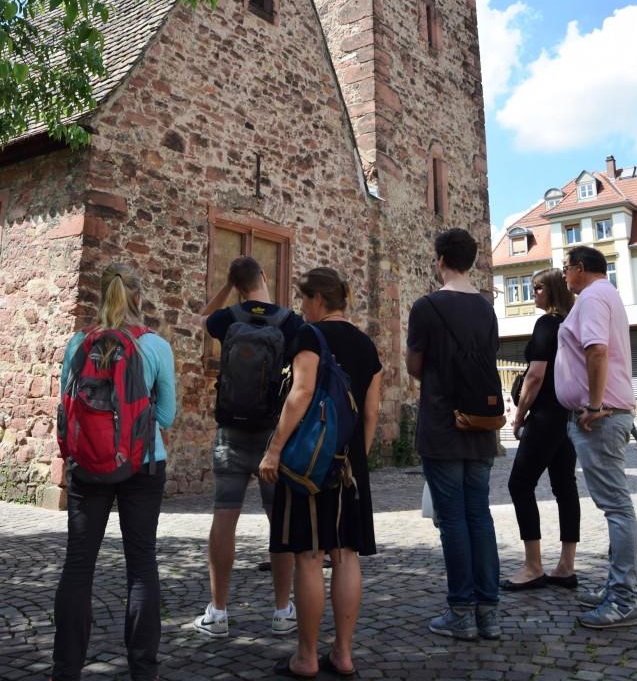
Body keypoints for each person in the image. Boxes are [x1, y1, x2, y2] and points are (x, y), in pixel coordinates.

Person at [51, 263, 176, 681]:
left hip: (87, 466)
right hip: (143, 464)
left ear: (101, 297)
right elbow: (166, 415)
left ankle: (65, 670)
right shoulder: (155, 347)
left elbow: (67, 409)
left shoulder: (77, 344)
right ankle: (144, 672)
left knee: (78, 566)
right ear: (138, 298)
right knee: (141, 565)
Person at [259, 267, 382, 679]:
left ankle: (307, 657)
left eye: (303, 299)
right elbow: (371, 413)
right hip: (348, 466)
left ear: (317, 300)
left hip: (307, 464)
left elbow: (302, 392)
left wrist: (274, 450)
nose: (302, 307)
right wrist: (354, 461)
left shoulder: (311, 336)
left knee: (309, 556)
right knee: (345, 555)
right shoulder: (367, 346)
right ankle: (343, 654)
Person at [192, 255, 302, 638]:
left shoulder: (229, 318)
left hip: (231, 434)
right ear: (265, 277)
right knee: (280, 524)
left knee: (224, 519)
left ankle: (219, 613)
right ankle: (281, 611)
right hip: (274, 438)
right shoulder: (290, 322)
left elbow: (202, 318)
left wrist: (225, 290)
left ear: (236, 287)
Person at [406, 228, 501, 642]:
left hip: (443, 423)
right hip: (480, 425)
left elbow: (414, 366)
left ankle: (461, 610)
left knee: (453, 520)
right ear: (473, 261)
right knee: (479, 514)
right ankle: (489, 613)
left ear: (441, 259)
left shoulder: (426, 307)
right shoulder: (486, 309)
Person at [555, 245, 637, 629]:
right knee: (616, 507)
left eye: (565, 268)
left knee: (617, 508)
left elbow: (597, 353)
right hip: (606, 413)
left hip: (600, 417)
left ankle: (623, 599)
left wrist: (592, 405)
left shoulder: (592, 297)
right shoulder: (607, 294)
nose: (563, 276)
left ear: (579, 268)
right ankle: (615, 588)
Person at [503, 268, 580, 590]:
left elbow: (535, 375)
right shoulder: (572, 323)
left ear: (550, 292)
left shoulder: (547, 323)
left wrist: (519, 416)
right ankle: (565, 566)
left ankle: (533, 566)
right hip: (566, 414)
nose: (532, 294)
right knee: (565, 486)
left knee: (520, 484)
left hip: (546, 415)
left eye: (537, 289)